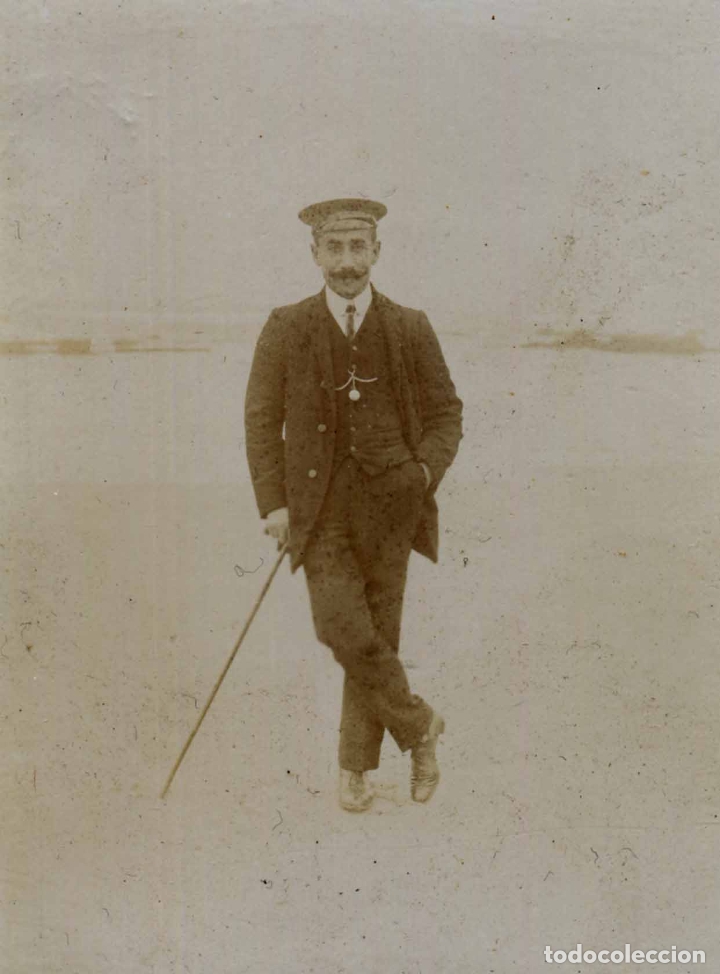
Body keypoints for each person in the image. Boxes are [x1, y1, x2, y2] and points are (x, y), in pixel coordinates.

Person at [244, 198, 463, 811]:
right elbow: (261, 421)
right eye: (333, 248)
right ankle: (420, 726)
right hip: (318, 510)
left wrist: (423, 473)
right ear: (314, 253)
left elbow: (447, 413)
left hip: (393, 505)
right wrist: (275, 505)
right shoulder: (286, 326)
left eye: (357, 247)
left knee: (377, 638)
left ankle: (355, 769)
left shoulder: (410, 326)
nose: (346, 262)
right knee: (341, 627)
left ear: (376, 251)